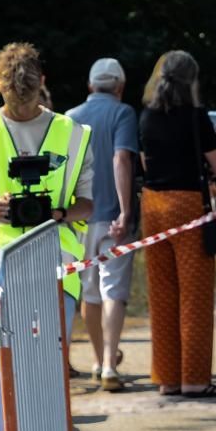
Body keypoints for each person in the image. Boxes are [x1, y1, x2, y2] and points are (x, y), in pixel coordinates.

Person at [0, 43, 93, 340]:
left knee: (52, 354)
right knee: (10, 359)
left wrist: (58, 214)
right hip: (4, 263)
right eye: (15, 101)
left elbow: (88, 205)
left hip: (58, 259)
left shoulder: (73, 132)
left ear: (41, 82)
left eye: (26, 102)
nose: (22, 110)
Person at [139, 50, 216, 397]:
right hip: (188, 205)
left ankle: (168, 379)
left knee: (161, 294)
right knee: (194, 296)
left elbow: (146, 164)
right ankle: (194, 378)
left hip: (153, 205)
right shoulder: (196, 117)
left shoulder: (146, 116)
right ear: (191, 80)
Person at [67, 58, 138, 392]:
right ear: (120, 87)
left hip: (79, 221)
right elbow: (121, 158)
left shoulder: (69, 118)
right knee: (114, 292)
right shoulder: (123, 113)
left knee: (90, 292)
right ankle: (110, 365)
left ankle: (97, 361)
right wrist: (125, 211)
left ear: (90, 86)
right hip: (113, 219)